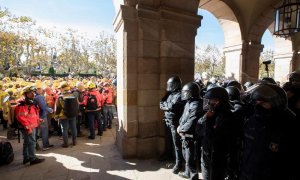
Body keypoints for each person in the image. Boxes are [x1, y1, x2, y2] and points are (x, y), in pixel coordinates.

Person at [239, 83, 297, 180]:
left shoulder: (291, 126)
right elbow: (244, 149)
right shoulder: (253, 121)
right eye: (256, 103)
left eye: (264, 103)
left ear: (276, 103)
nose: (258, 107)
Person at [196, 86, 234, 180]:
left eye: (212, 100)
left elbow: (212, 137)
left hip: (218, 155)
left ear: (219, 101)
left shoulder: (226, 117)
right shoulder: (211, 113)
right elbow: (199, 129)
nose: (209, 103)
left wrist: (208, 121)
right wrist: (205, 118)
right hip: (207, 151)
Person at [177, 82, 204, 180]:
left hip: (191, 135)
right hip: (185, 134)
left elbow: (192, 121)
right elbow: (184, 117)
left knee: (191, 157)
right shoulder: (190, 102)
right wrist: (180, 126)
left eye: (186, 92)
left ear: (191, 93)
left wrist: (181, 129)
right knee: (186, 155)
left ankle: (193, 175)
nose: (184, 94)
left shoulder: (196, 104)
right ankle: (187, 172)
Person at [159, 76, 186, 173]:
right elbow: (162, 103)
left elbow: (172, 106)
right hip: (167, 120)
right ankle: (168, 155)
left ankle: (179, 163)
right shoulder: (170, 94)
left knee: (177, 144)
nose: (168, 86)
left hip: (175, 122)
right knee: (168, 140)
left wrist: (166, 106)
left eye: (170, 84)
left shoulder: (180, 95)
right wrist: (166, 106)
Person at [14, 85, 45, 165]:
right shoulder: (22, 104)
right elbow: (21, 117)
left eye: (34, 92)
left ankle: (26, 157)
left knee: (27, 142)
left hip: (32, 125)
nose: (33, 94)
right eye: (31, 93)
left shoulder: (30, 102)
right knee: (32, 142)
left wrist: (38, 119)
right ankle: (32, 158)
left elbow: (32, 114)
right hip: (28, 127)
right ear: (26, 94)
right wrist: (28, 128)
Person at [55, 82, 78, 148]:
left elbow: (58, 108)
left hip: (63, 116)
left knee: (64, 129)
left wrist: (56, 116)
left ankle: (66, 143)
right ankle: (74, 141)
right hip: (73, 115)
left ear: (62, 89)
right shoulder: (74, 96)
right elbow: (77, 105)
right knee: (74, 128)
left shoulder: (60, 97)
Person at [34, 83, 54, 151]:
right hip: (42, 115)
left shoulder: (35, 96)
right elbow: (43, 106)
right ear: (38, 89)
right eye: (41, 89)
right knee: (44, 131)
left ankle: (40, 145)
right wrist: (50, 110)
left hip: (37, 116)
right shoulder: (39, 97)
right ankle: (45, 145)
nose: (42, 90)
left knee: (37, 131)